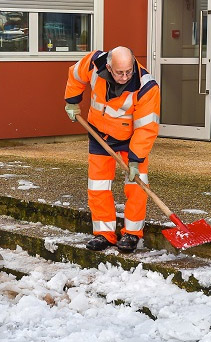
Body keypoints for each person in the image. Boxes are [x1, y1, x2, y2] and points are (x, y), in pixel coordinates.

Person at [64, 46, 160, 253]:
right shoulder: (93, 63)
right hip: (99, 134)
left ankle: (132, 234)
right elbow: (75, 74)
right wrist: (72, 101)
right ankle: (104, 234)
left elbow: (146, 127)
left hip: (131, 139)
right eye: (119, 72)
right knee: (98, 185)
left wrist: (136, 159)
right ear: (108, 66)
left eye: (129, 71)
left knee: (136, 186)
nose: (125, 76)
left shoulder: (147, 87)